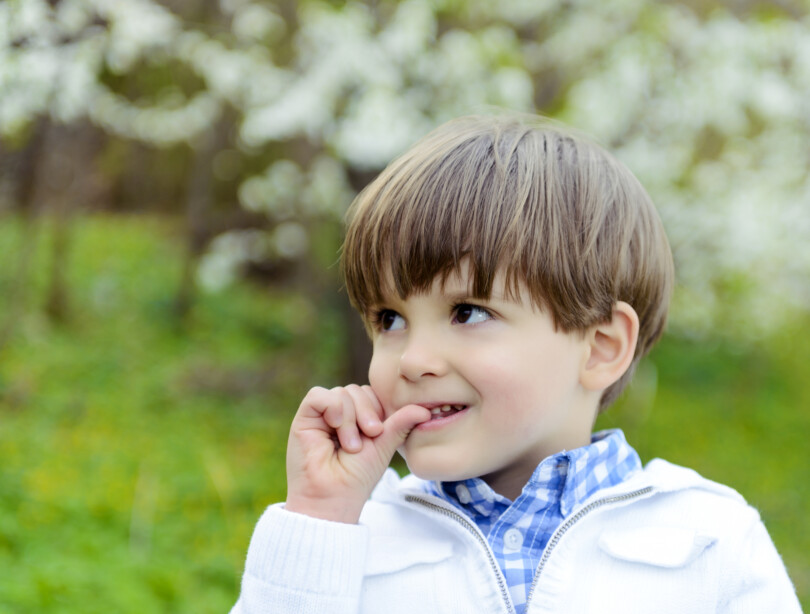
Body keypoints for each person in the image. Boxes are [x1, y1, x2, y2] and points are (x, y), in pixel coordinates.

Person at [230, 115, 802, 614]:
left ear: (601, 347)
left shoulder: (709, 541)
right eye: (390, 319)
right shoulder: (351, 536)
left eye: (469, 312)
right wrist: (318, 519)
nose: (414, 360)